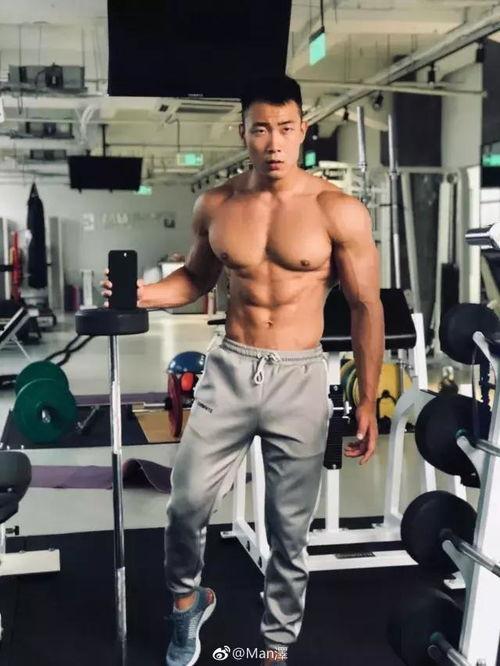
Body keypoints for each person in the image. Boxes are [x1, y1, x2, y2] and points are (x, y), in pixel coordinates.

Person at [102, 75, 384, 666]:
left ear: (303, 129)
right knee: (185, 502)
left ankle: (276, 645)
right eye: (261, 130)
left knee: (289, 529)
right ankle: (187, 605)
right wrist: (140, 294)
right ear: (243, 133)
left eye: (285, 128)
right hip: (230, 369)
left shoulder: (338, 210)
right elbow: (196, 279)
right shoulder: (218, 204)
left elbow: (366, 306)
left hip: (300, 376)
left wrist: (367, 397)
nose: (273, 143)